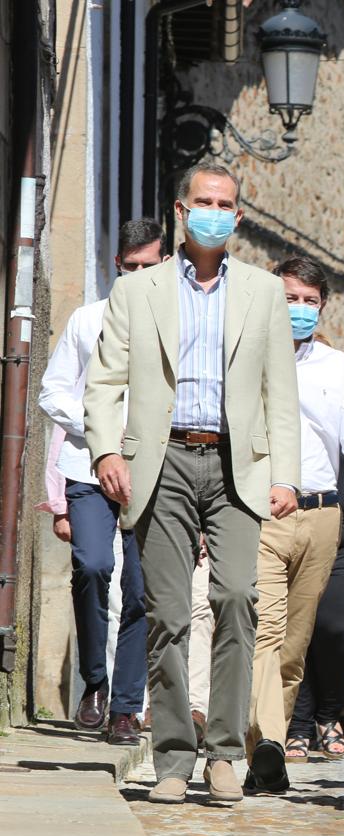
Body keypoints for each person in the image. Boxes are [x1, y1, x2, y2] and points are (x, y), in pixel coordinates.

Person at [84, 163, 301, 805]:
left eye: (224, 203)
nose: (212, 211)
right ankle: (175, 757)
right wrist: (105, 453)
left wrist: (285, 474)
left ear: (238, 217)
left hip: (239, 464)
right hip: (164, 462)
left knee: (237, 599)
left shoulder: (264, 292)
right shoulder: (139, 291)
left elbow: (278, 393)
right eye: (201, 201)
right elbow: (103, 383)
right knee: (170, 613)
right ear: (181, 211)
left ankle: (226, 751)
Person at [37, 218, 164, 745]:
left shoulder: (176, 327)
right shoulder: (87, 321)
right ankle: (95, 683)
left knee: (141, 590)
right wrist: (101, 431)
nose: (137, 275)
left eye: (148, 267)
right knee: (92, 566)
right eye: (129, 267)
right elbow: (52, 390)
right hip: (89, 467)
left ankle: (126, 708)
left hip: (155, 471)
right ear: (116, 266)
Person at [243, 256, 344, 793]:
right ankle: (263, 743)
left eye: (310, 301)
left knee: (295, 644)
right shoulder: (244, 355)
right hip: (262, 512)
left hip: (322, 513)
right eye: (290, 298)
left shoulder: (337, 368)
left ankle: (270, 748)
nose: (299, 309)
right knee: (264, 634)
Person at [288, 453, 344, 762]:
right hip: (301, 517)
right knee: (300, 629)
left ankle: (330, 715)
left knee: (336, 629)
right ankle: (300, 725)